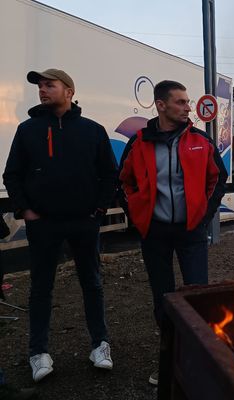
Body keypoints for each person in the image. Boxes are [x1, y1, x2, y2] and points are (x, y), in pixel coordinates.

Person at [2, 69, 117, 382]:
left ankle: (100, 345)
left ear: (69, 90)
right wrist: (25, 209)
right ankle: (38, 353)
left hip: (84, 222)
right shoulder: (28, 130)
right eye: (39, 86)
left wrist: (99, 208)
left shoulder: (93, 131)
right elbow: (11, 174)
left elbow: (109, 174)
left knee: (92, 283)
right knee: (41, 288)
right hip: (44, 224)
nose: (42, 90)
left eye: (49, 85)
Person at [119, 80, 227, 385]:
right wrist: (138, 214)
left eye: (187, 102)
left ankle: (196, 360)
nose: (187, 107)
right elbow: (124, 181)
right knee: (163, 298)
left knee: (197, 296)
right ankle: (168, 359)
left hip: (192, 232)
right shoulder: (139, 141)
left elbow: (217, 179)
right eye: (180, 102)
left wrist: (204, 216)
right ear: (161, 105)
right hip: (155, 233)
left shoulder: (200, 140)